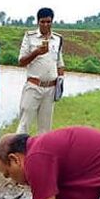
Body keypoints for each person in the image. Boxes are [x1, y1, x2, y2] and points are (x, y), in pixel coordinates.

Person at [16, 7, 65, 135]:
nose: (45, 25)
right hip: (33, 86)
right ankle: (17, 153)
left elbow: (60, 63)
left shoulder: (58, 39)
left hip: (50, 89)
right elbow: (21, 61)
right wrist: (36, 52)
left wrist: (60, 82)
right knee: (24, 124)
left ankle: (42, 154)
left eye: (48, 22)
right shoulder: (30, 37)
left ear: (52, 22)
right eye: (42, 22)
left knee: (45, 129)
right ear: (38, 22)